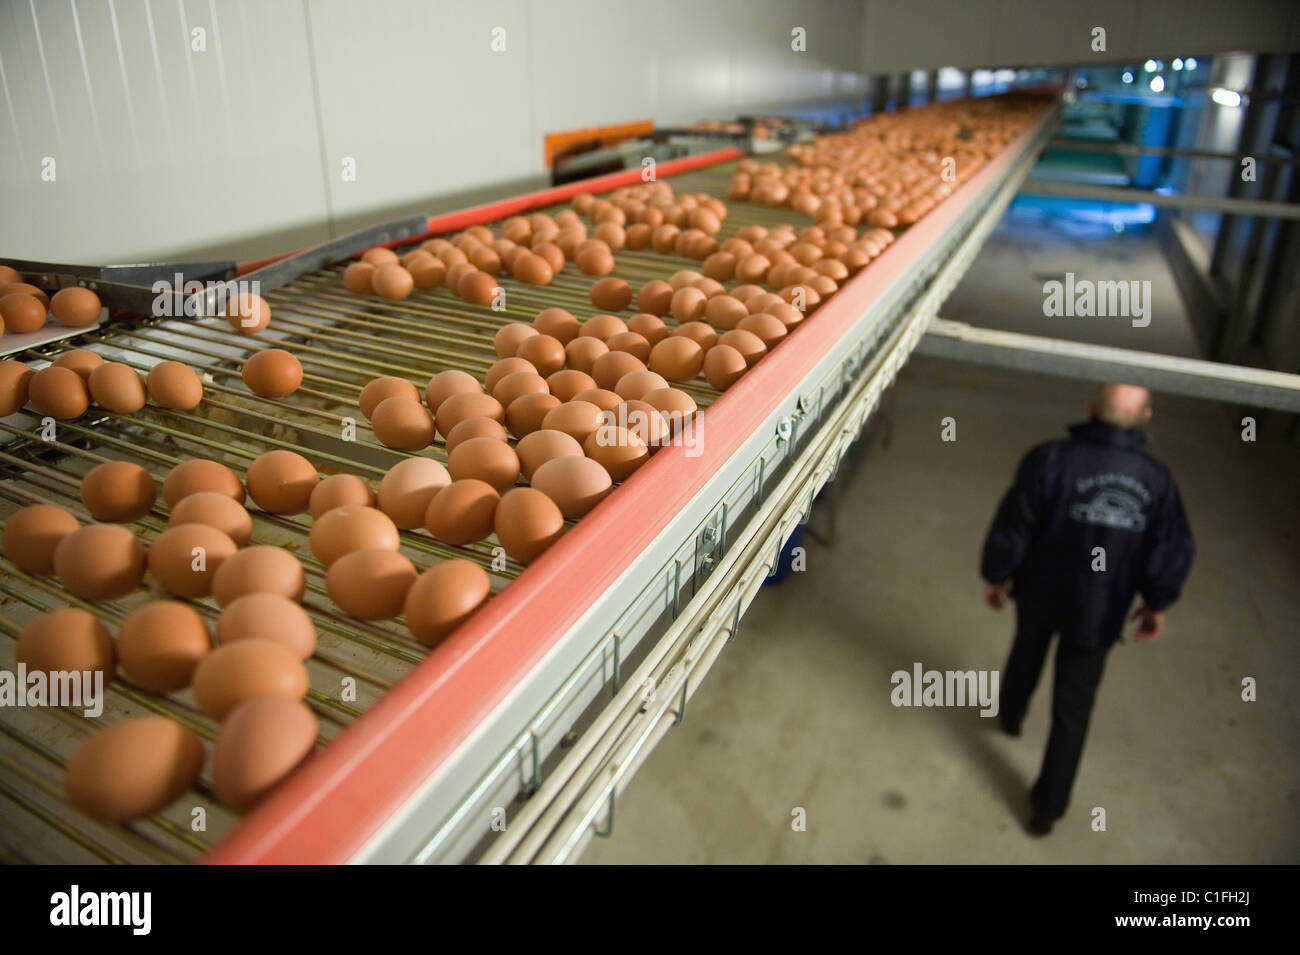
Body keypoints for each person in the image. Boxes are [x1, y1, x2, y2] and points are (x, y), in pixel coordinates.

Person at [980, 383, 1194, 835]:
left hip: (1039, 593)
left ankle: (1011, 716)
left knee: (1026, 653)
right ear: (1146, 418)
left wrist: (998, 574)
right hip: (1099, 611)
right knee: (1073, 709)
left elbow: (1015, 524)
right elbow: (1169, 549)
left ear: (1092, 410)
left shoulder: (1050, 460)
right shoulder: (1156, 481)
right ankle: (1046, 810)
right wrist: (1157, 602)